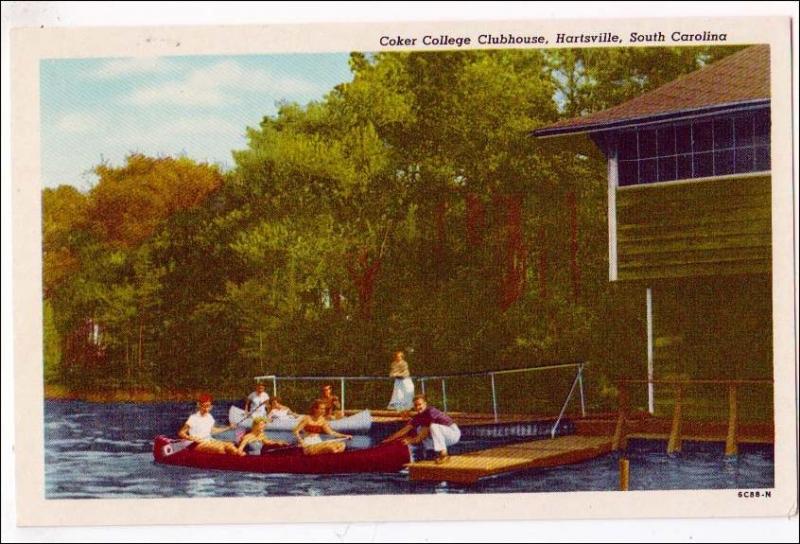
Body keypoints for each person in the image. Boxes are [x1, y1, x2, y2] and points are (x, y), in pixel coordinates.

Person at [382, 394, 460, 463]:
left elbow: (425, 432)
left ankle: (444, 455)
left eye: (420, 404)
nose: (418, 407)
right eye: (415, 405)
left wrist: (411, 440)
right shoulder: (418, 417)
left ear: (425, 404)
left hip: (452, 434)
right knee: (420, 429)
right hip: (443, 436)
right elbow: (405, 430)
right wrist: (388, 440)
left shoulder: (431, 411)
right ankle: (430, 454)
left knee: (432, 427)